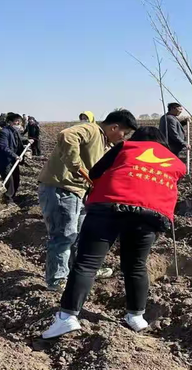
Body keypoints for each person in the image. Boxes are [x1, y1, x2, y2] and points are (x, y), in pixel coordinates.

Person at [42, 127, 186, 338]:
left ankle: (67, 318)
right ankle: (136, 316)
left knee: (88, 263)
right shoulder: (175, 161)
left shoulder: (125, 147)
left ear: (137, 139)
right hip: (151, 214)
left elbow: (94, 173)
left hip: (108, 206)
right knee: (136, 264)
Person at [38, 109, 138, 292]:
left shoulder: (105, 144)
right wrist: (74, 163)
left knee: (83, 234)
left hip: (79, 192)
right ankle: (57, 279)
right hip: (63, 188)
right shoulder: (91, 130)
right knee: (64, 235)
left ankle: (84, 270)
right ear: (114, 127)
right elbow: (66, 135)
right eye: (125, 133)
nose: (124, 138)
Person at [0, 113, 26, 203]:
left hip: (13, 160)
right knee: (9, 181)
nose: (18, 123)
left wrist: (28, 141)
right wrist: (14, 155)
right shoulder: (4, 132)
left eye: (19, 121)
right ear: (9, 122)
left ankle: (13, 196)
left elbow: (20, 140)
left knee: (16, 179)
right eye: (16, 121)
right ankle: (8, 200)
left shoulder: (15, 131)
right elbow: (4, 147)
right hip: (4, 160)